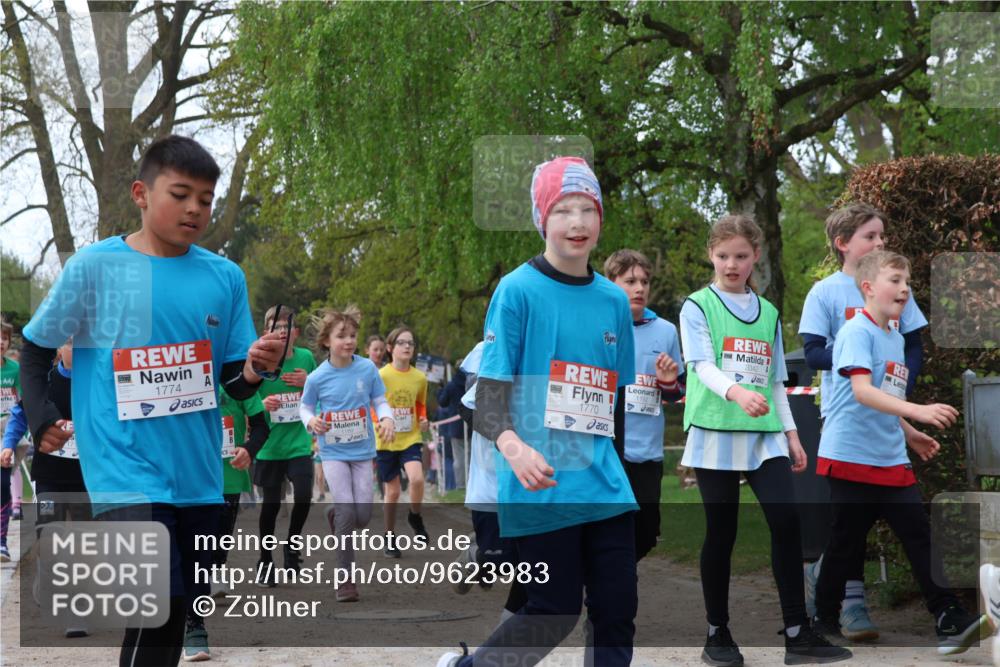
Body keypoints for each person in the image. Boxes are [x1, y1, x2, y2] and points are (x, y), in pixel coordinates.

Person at [18, 134, 285, 666]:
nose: (195, 209)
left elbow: (231, 382)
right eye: (181, 194)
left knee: (176, 610)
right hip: (123, 469)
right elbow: (35, 347)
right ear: (141, 193)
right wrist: (39, 412)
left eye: (206, 200)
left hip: (199, 477)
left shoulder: (225, 277)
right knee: (158, 601)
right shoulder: (95, 267)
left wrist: (255, 369)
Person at [439, 156, 639, 667]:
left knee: (617, 612)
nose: (577, 223)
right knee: (552, 611)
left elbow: (612, 399)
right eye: (563, 210)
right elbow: (487, 398)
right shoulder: (517, 290)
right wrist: (514, 448)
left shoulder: (614, 301)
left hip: (605, 486)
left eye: (587, 209)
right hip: (540, 485)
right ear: (542, 219)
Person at [679, 214, 850, 666]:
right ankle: (717, 634)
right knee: (723, 532)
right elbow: (701, 365)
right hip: (715, 430)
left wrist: (791, 434)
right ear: (710, 256)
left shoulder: (769, 312)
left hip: (763, 435)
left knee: (786, 521)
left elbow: (775, 381)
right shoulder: (696, 306)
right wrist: (736, 394)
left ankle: (798, 633)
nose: (731, 264)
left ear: (755, 255)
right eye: (722, 256)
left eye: (740, 256)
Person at [810, 250, 988, 656]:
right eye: (895, 279)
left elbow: (883, 397)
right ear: (869, 288)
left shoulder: (892, 336)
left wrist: (908, 433)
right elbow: (860, 391)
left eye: (906, 282)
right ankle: (820, 621)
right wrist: (918, 412)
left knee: (919, 535)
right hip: (850, 456)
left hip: (890, 455)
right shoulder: (857, 331)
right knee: (845, 543)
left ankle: (949, 616)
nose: (904, 288)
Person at [799, 203, 928, 640]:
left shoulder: (896, 285)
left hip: (887, 413)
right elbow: (813, 351)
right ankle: (846, 607)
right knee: (849, 528)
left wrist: (901, 394)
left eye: (881, 235)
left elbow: (911, 344)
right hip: (846, 416)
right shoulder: (827, 293)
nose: (880, 242)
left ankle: (832, 591)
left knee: (867, 526)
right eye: (871, 236)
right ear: (843, 243)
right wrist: (861, 356)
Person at [300, 307, 394, 601]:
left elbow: (379, 400)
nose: (349, 340)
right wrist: (311, 421)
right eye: (342, 336)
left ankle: (335, 516)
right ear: (327, 340)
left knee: (363, 515)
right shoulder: (317, 377)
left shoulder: (367, 369)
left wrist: (387, 418)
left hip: (363, 451)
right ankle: (346, 580)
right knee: (347, 511)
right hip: (333, 453)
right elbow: (305, 407)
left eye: (353, 335)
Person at [604, 249, 685, 561]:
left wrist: (666, 381)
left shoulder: (665, 330)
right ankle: (604, 595)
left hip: (647, 452)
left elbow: (675, 394)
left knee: (645, 535)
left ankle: (607, 584)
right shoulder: (599, 326)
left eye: (645, 281)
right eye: (630, 281)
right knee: (607, 531)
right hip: (606, 448)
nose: (639, 288)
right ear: (611, 284)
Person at [182, 385, 269, 661]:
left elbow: (260, 426)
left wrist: (249, 449)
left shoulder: (236, 380)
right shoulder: (183, 373)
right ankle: (193, 626)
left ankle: (213, 570)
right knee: (194, 553)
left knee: (217, 549)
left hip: (228, 475)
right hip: (191, 475)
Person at [450, 341, 528, 626]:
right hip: (491, 481)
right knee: (499, 561)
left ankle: (508, 627)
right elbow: (466, 405)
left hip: (534, 484)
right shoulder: (496, 356)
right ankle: (477, 553)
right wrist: (505, 437)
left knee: (531, 563)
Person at [254, 305, 318, 583]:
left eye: (286, 326)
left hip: (298, 443)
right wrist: (260, 403)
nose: (281, 331)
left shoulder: (306, 358)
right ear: (266, 331)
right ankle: (265, 559)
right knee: (271, 505)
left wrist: (310, 380)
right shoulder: (258, 360)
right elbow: (241, 396)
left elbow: (322, 392)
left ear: (296, 332)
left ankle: (292, 545)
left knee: (304, 494)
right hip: (269, 445)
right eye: (275, 326)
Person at [375, 326, 430, 557]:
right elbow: (373, 403)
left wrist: (424, 418)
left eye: (411, 343)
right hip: (386, 439)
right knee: (394, 492)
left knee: (417, 478)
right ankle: (389, 537)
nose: (408, 346)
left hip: (410, 437)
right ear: (390, 348)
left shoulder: (420, 377)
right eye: (402, 342)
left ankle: (414, 515)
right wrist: (378, 421)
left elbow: (420, 404)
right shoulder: (381, 376)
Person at [0, 317, 19, 561]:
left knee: (2, 484)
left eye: (4, 338)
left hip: (6, 434)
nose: (0, 342)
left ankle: (2, 542)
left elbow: (22, 400)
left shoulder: (14, 369)